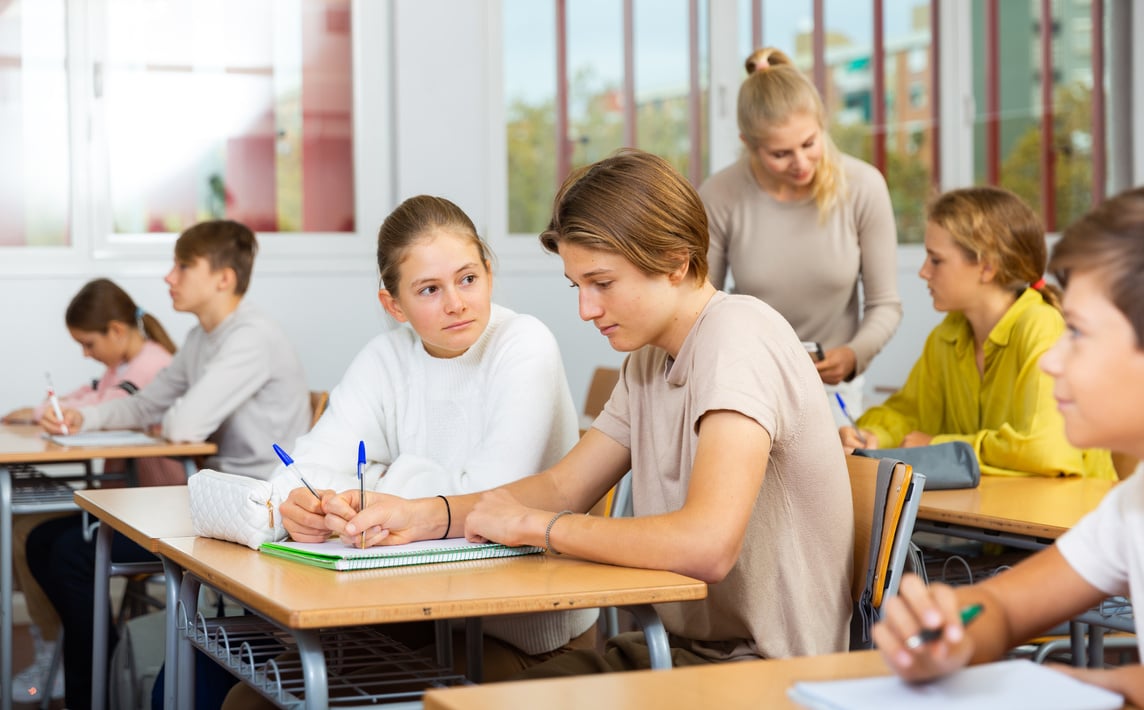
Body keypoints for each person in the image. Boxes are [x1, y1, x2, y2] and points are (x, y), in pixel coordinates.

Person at [318, 149, 854, 675]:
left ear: (675, 261)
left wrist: (538, 527)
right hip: (682, 652)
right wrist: (422, 516)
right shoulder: (648, 359)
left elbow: (706, 545)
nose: (586, 309)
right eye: (579, 286)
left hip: (768, 671)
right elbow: (560, 488)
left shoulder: (739, 336)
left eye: (603, 283)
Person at [220, 196, 595, 710]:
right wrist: (307, 506)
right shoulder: (386, 356)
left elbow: (486, 507)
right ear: (393, 305)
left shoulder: (524, 344)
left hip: (515, 631)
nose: (456, 303)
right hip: (404, 614)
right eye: (429, 290)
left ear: (489, 270)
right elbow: (303, 468)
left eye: (468, 279)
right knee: (250, 701)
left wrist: (377, 481)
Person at [871, 186, 1144, 704]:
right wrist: (952, 631)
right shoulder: (1133, 506)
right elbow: (1001, 607)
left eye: (1079, 333)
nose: (1050, 360)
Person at [28, 220, 311, 710]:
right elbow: (146, 407)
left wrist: (169, 421)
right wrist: (85, 416)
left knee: (75, 550)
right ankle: (95, 683)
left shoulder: (251, 337)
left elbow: (182, 426)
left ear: (223, 278)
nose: (168, 278)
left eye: (182, 265)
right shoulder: (203, 339)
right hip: (217, 505)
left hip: (260, 512)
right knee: (59, 542)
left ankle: (94, 689)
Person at [839, 187, 1115, 480]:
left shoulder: (1042, 326)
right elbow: (908, 414)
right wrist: (874, 435)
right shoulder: (948, 335)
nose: (923, 272)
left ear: (987, 267)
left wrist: (940, 447)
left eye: (936, 260)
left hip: (1070, 518)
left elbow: (1046, 450)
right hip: (999, 513)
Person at [700, 47, 902, 422]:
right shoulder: (719, 195)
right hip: (748, 380)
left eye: (809, 143)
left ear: (823, 126)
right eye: (780, 153)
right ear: (748, 143)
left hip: (834, 386)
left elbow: (885, 304)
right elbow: (700, 304)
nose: (801, 163)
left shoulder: (863, 186)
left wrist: (854, 354)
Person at [5, 278, 181, 703]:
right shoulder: (119, 368)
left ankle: (86, 666)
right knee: (34, 535)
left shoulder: (152, 366)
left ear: (117, 331)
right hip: (127, 501)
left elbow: (102, 409)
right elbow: (86, 397)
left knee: (52, 544)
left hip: (160, 508)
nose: (85, 353)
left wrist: (54, 412)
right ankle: (68, 650)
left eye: (88, 343)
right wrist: (41, 410)